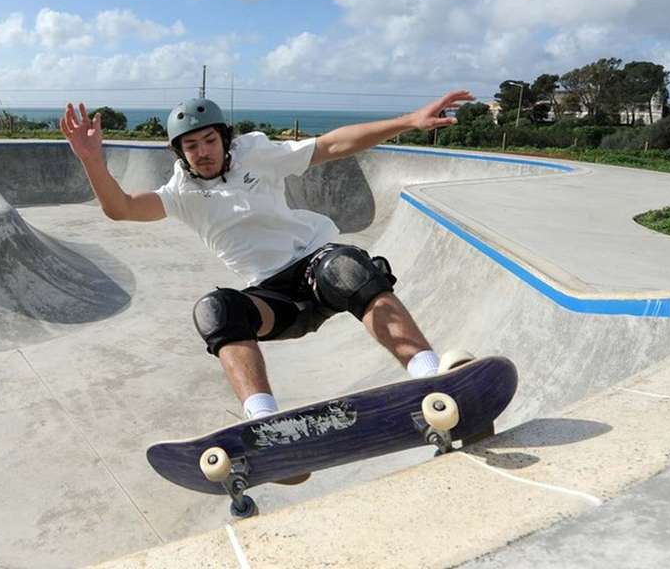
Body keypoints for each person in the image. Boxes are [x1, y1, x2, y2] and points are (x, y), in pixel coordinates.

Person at [61, 91, 475, 423]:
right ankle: (264, 424)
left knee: (347, 269)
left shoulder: (255, 155)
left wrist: (409, 121)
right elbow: (122, 207)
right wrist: (92, 160)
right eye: (191, 146)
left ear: (225, 139)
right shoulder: (181, 195)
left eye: (209, 140)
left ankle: (430, 374)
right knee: (216, 311)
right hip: (275, 298)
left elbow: (333, 144)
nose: (203, 152)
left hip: (318, 262)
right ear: (180, 154)